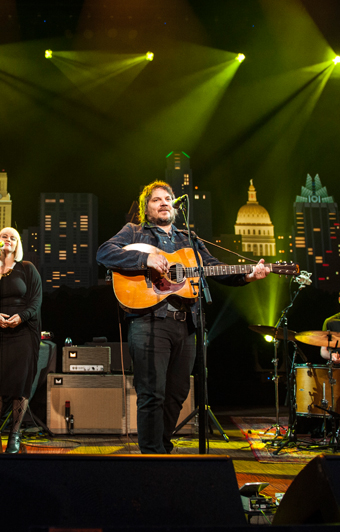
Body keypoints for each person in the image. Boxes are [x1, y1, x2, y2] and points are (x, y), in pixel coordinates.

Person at [96, 181, 271, 454]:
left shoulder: (189, 239)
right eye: (156, 199)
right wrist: (145, 261)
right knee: (151, 393)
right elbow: (104, 253)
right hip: (149, 321)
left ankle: (163, 447)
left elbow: (214, 268)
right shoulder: (134, 231)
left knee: (178, 393)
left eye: (168, 198)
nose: (164, 203)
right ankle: (152, 455)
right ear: (146, 208)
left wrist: (248, 275)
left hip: (187, 323)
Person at [0, 227, 42, 453]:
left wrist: (21, 317)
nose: (9, 240)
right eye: (4, 236)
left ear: (18, 244)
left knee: (19, 384)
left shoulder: (27, 269)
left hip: (22, 334)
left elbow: (36, 301)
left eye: (13, 237)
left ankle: (14, 433)